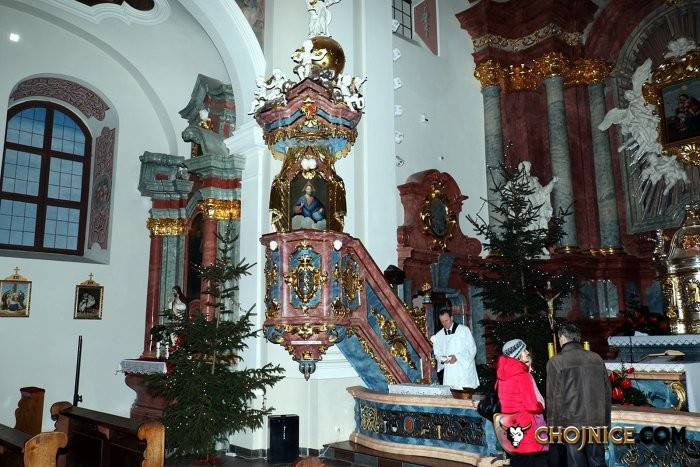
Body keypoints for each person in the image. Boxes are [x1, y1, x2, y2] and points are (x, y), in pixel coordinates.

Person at [546, 323, 611, 467]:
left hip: (571, 423)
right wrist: (606, 422)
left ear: (563, 338)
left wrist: (553, 429)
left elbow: (553, 398)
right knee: (598, 462)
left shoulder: (556, 361)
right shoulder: (596, 358)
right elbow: (607, 393)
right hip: (596, 421)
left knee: (576, 463)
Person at [496, 339, 548, 467]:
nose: (527, 353)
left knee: (516, 460)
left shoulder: (502, 375)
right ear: (517, 354)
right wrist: (541, 405)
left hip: (509, 423)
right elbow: (532, 406)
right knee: (527, 460)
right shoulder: (522, 375)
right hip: (524, 425)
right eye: (524, 350)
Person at [429, 308, 479, 389]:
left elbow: (472, 349)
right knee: (451, 393)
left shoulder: (464, 330)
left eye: (446, 320)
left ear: (451, 318)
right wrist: (444, 359)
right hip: (450, 371)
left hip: (463, 370)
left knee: (465, 394)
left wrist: (457, 357)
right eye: (442, 321)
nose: (445, 324)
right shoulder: (439, 335)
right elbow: (438, 354)